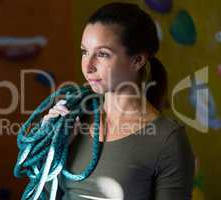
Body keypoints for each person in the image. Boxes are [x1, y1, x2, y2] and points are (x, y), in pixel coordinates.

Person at [43, 2, 195, 200]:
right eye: (84, 52)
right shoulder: (74, 120)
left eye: (102, 54)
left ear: (138, 60)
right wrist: (51, 148)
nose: (87, 66)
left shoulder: (167, 140)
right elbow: (45, 195)